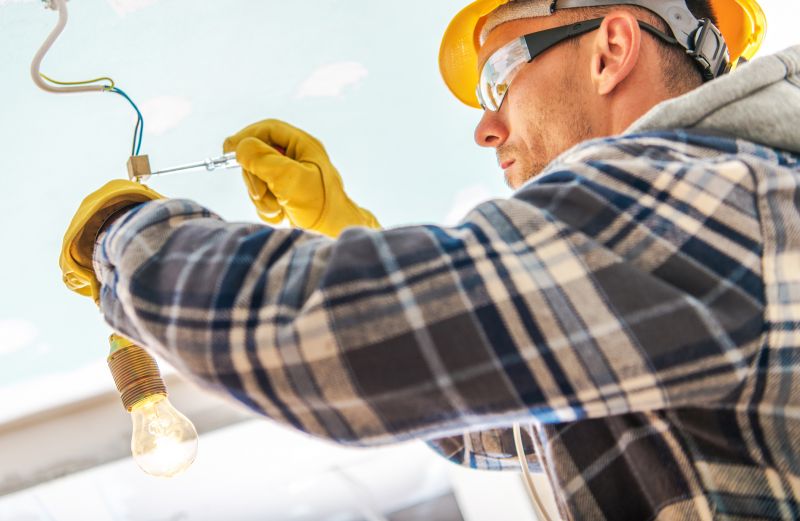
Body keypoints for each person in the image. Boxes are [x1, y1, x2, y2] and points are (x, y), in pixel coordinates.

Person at [61, 0, 800, 518]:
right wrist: (341, 230)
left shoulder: (709, 195)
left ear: (610, 50)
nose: (486, 126)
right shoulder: (716, 228)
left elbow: (320, 346)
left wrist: (124, 235)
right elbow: (479, 418)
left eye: (497, 78)